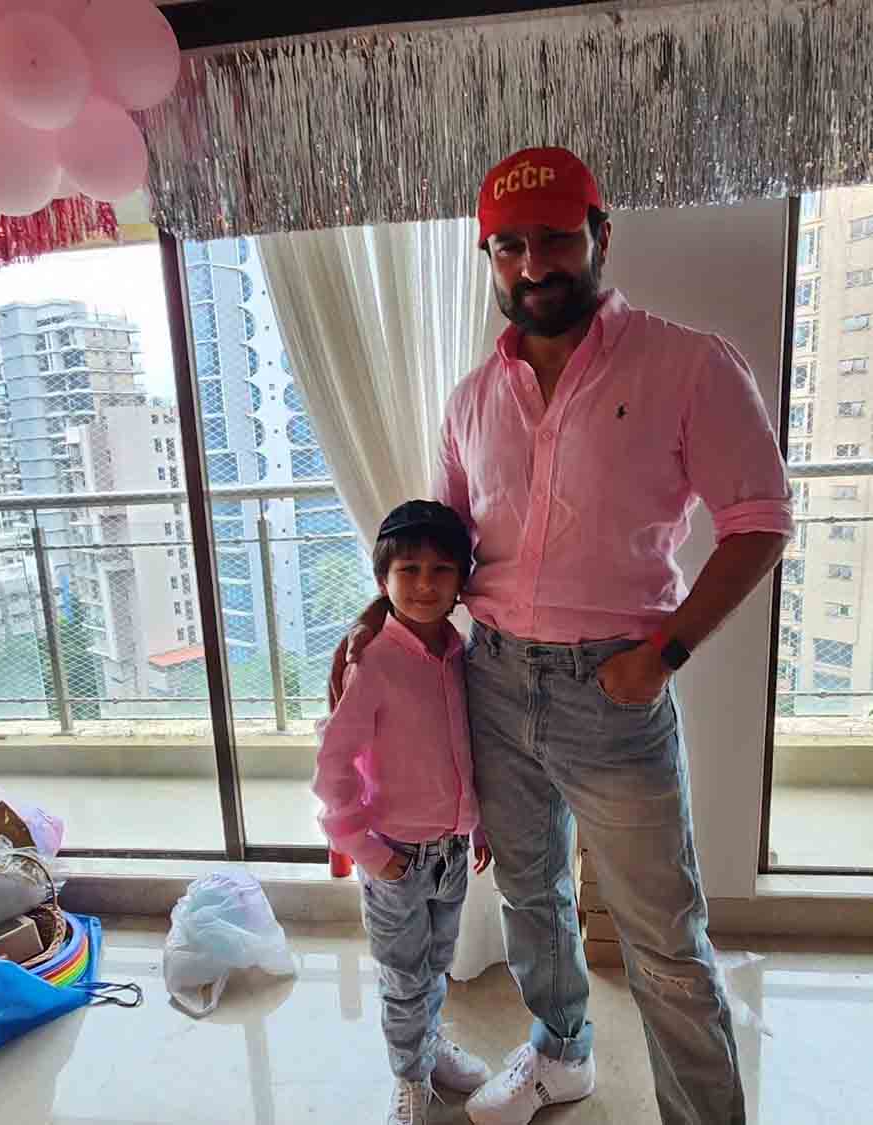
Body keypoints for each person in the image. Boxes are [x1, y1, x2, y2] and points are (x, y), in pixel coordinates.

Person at [330, 147, 794, 1125]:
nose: (534, 264)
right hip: (492, 680)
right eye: (509, 247)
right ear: (489, 256)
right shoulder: (469, 400)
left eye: (554, 239)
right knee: (534, 898)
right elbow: (441, 546)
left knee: (664, 938)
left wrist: (662, 655)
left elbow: (759, 520)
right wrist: (380, 615)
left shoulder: (686, 365)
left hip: (614, 687)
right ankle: (563, 1055)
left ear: (599, 237)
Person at [313, 499, 494, 1125]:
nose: (424, 584)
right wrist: (368, 850)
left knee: (436, 964)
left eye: (441, 570)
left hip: (450, 851)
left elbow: (472, 749)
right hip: (393, 857)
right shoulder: (373, 665)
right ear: (384, 578)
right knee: (403, 976)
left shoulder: (461, 655)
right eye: (409, 569)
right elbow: (333, 767)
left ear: (461, 582)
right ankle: (410, 1077)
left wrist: (480, 822)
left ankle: (430, 1045)